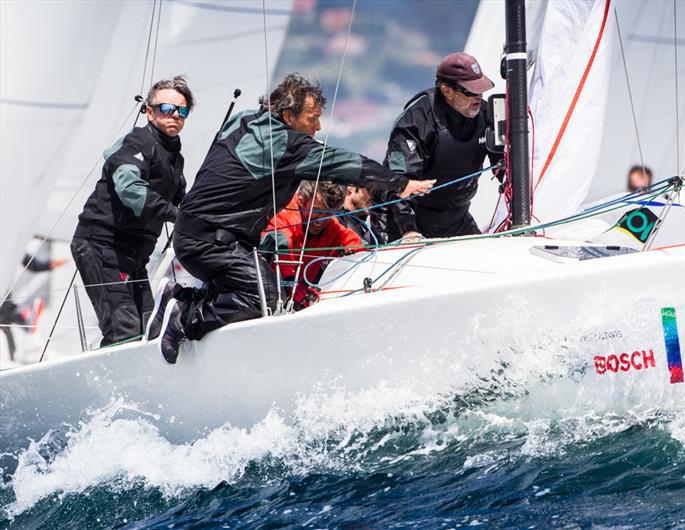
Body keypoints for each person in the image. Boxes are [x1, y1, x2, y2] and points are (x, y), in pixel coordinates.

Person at [157, 73, 433, 363]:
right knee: (264, 296)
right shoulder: (285, 145)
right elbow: (346, 163)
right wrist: (400, 184)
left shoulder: (244, 120)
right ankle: (184, 316)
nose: (318, 126)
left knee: (252, 291)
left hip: (199, 234)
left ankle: (177, 297)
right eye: (312, 117)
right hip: (210, 242)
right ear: (288, 116)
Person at [70, 76, 193, 347]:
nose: (175, 115)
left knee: (148, 330)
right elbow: (130, 189)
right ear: (149, 112)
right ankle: (109, 389)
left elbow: (184, 203)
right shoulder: (137, 143)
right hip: (101, 246)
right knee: (123, 329)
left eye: (182, 111)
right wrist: (176, 215)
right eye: (166, 108)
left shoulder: (175, 157)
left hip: (133, 256)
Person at [372, 52, 502, 242]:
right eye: (470, 92)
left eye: (481, 90)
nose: (479, 97)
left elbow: (501, 163)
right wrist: (409, 231)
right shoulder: (416, 121)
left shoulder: (484, 113)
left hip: (455, 215)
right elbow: (399, 181)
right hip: (404, 218)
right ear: (447, 91)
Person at [262, 181, 363, 309]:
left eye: (328, 213)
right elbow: (282, 254)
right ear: (302, 199)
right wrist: (295, 289)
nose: (322, 220)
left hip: (300, 301)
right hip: (274, 298)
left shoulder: (331, 225)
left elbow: (354, 242)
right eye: (317, 210)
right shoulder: (284, 216)